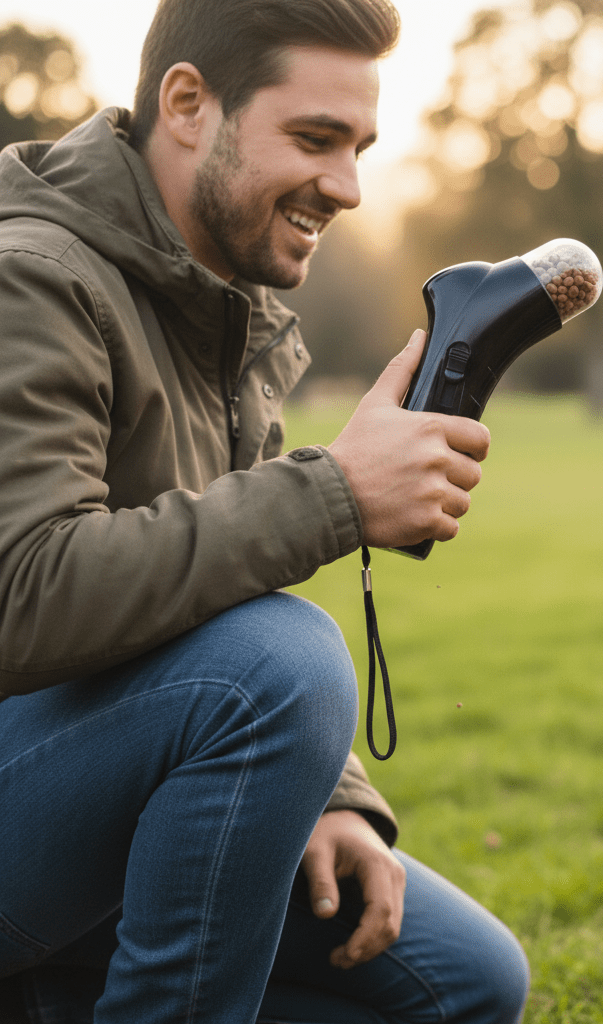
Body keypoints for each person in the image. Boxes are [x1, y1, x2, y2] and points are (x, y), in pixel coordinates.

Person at [0, 0, 531, 1021]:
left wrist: (332, 800)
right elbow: (24, 597)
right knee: (284, 660)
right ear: (190, 105)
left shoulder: (222, 307)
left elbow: (197, 614)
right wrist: (336, 490)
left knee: (465, 983)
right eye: (315, 139)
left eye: (360, 147)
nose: (348, 186)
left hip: (92, 797)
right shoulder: (33, 276)